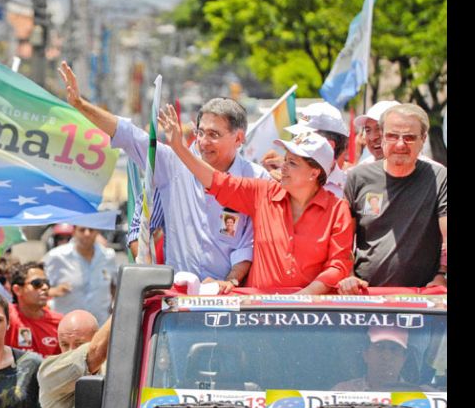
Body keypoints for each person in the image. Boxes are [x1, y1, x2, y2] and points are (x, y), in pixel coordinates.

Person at [59, 61, 271, 292]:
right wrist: (80, 104)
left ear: (239, 139)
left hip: (230, 297)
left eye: (214, 135)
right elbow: (128, 135)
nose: (203, 142)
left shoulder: (256, 179)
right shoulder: (173, 163)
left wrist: (228, 282)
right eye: (201, 133)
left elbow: (249, 242)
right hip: (177, 296)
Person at [159, 104, 354, 294]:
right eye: (285, 160)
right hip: (257, 317)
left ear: (314, 173)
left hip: (306, 317)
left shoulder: (338, 210)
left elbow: (338, 265)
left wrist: (302, 298)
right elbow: (218, 182)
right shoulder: (264, 192)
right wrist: (179, 148)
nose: (283, 167)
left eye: (292, 163)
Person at [338, 103, 447, 293]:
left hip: (422, 300)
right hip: (366, 296)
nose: (400, 144)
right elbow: (344, 238)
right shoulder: (358, 177)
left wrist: (441, 275)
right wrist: (349, 276)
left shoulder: (439, 178)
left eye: (409, 138)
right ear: (383, 138)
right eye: (392, 136)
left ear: (423, 139)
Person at [42, 225, 118, 325]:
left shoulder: (108, 256)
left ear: (97, 232)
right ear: (74, 232)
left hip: (99, 326)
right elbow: (37, 286)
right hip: (67, 328)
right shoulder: (57, 256)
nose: (87, 234)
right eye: (82, 230)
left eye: (91, 229)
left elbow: (115, 287)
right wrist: (54, 291)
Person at [332, 326, 432, 391]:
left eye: (394, 349)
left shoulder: (423, 394)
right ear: (365, 354)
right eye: (379, 347)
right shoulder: (343, 391)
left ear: (404, 358)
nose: (386, 357)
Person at [284, 102, 350, 198]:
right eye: (298, 136)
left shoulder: (351, 188)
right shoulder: (283, 179)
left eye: (304, 136)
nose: (297, 141)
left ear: (329, 146)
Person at [6, 262, 63, 356]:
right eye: (37, 283)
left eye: (47, 283)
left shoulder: (60, 323)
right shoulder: (4, 316)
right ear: (17, 290)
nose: (45, 287)